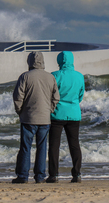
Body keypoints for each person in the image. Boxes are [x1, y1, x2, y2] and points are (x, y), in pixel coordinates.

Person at [12, 51, 60, 184]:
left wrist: (20, 111)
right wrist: (49, 109)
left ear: (29, 62)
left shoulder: (25, 76)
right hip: (45, 118)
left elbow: (18, 97)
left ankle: (23, 176)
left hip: (28, 118)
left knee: (25, 147)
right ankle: (39, 176)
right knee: (42, 147)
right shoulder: (50, 77)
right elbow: (56, 97)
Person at [46, 51, 85, 183]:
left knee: (54, 145)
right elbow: (80, 96)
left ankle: (54, 175)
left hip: (56, 114)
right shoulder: (79, 76)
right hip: (74, 113)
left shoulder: (54, 75)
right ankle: (77, 174)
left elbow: (50, 95)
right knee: (74, 144)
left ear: (59, 61)